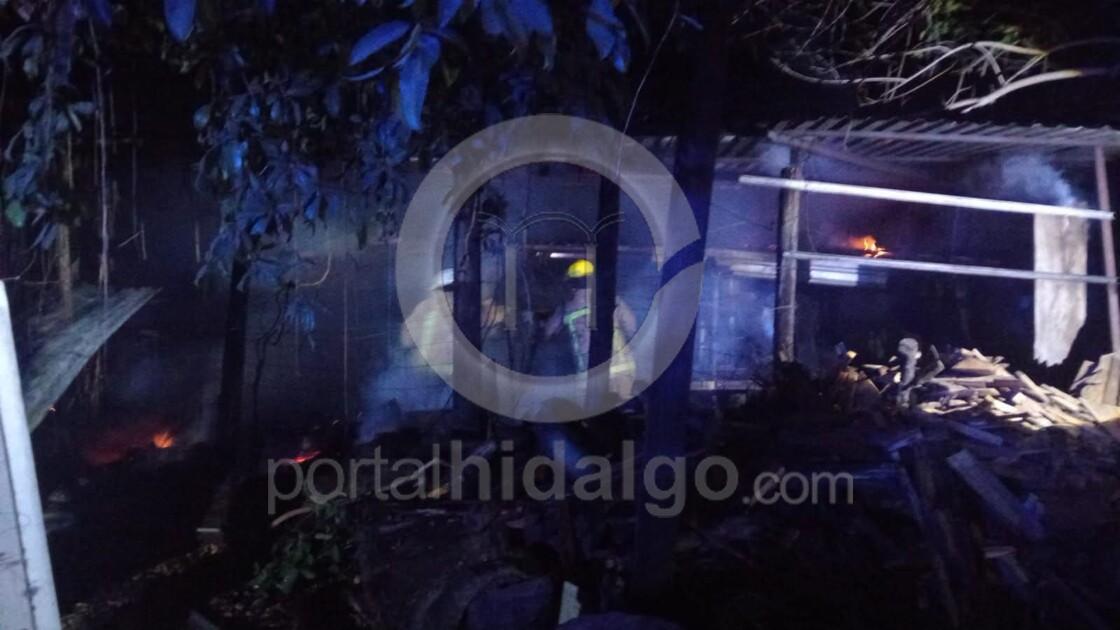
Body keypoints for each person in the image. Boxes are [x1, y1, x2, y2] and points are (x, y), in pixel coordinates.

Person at [543, 259, 637, 398]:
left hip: (590, 376)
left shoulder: (566, 308)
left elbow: (547, 333)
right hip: (622, 371)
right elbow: (631, 327)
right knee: (623, 409)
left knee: (597, 410)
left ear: (572, 284)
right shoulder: (612, 300)